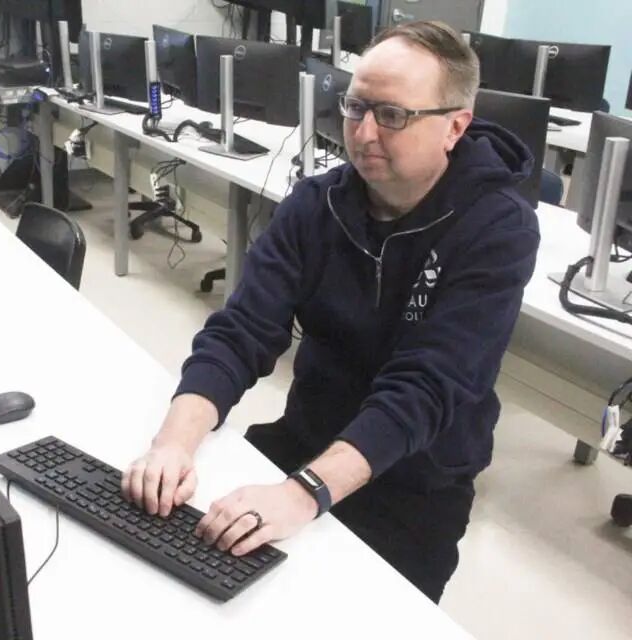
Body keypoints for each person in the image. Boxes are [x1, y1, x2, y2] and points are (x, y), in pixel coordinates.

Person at [121, 20, 540, 603]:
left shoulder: (497, 228)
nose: (363, 133)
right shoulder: (317, 205)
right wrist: (173, 442)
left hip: (414, 483)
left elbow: (425, 388)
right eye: (355, 107)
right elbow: (241, 332)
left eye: (392, 115)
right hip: (305, 439)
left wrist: (302, 495)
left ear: (455, 126)